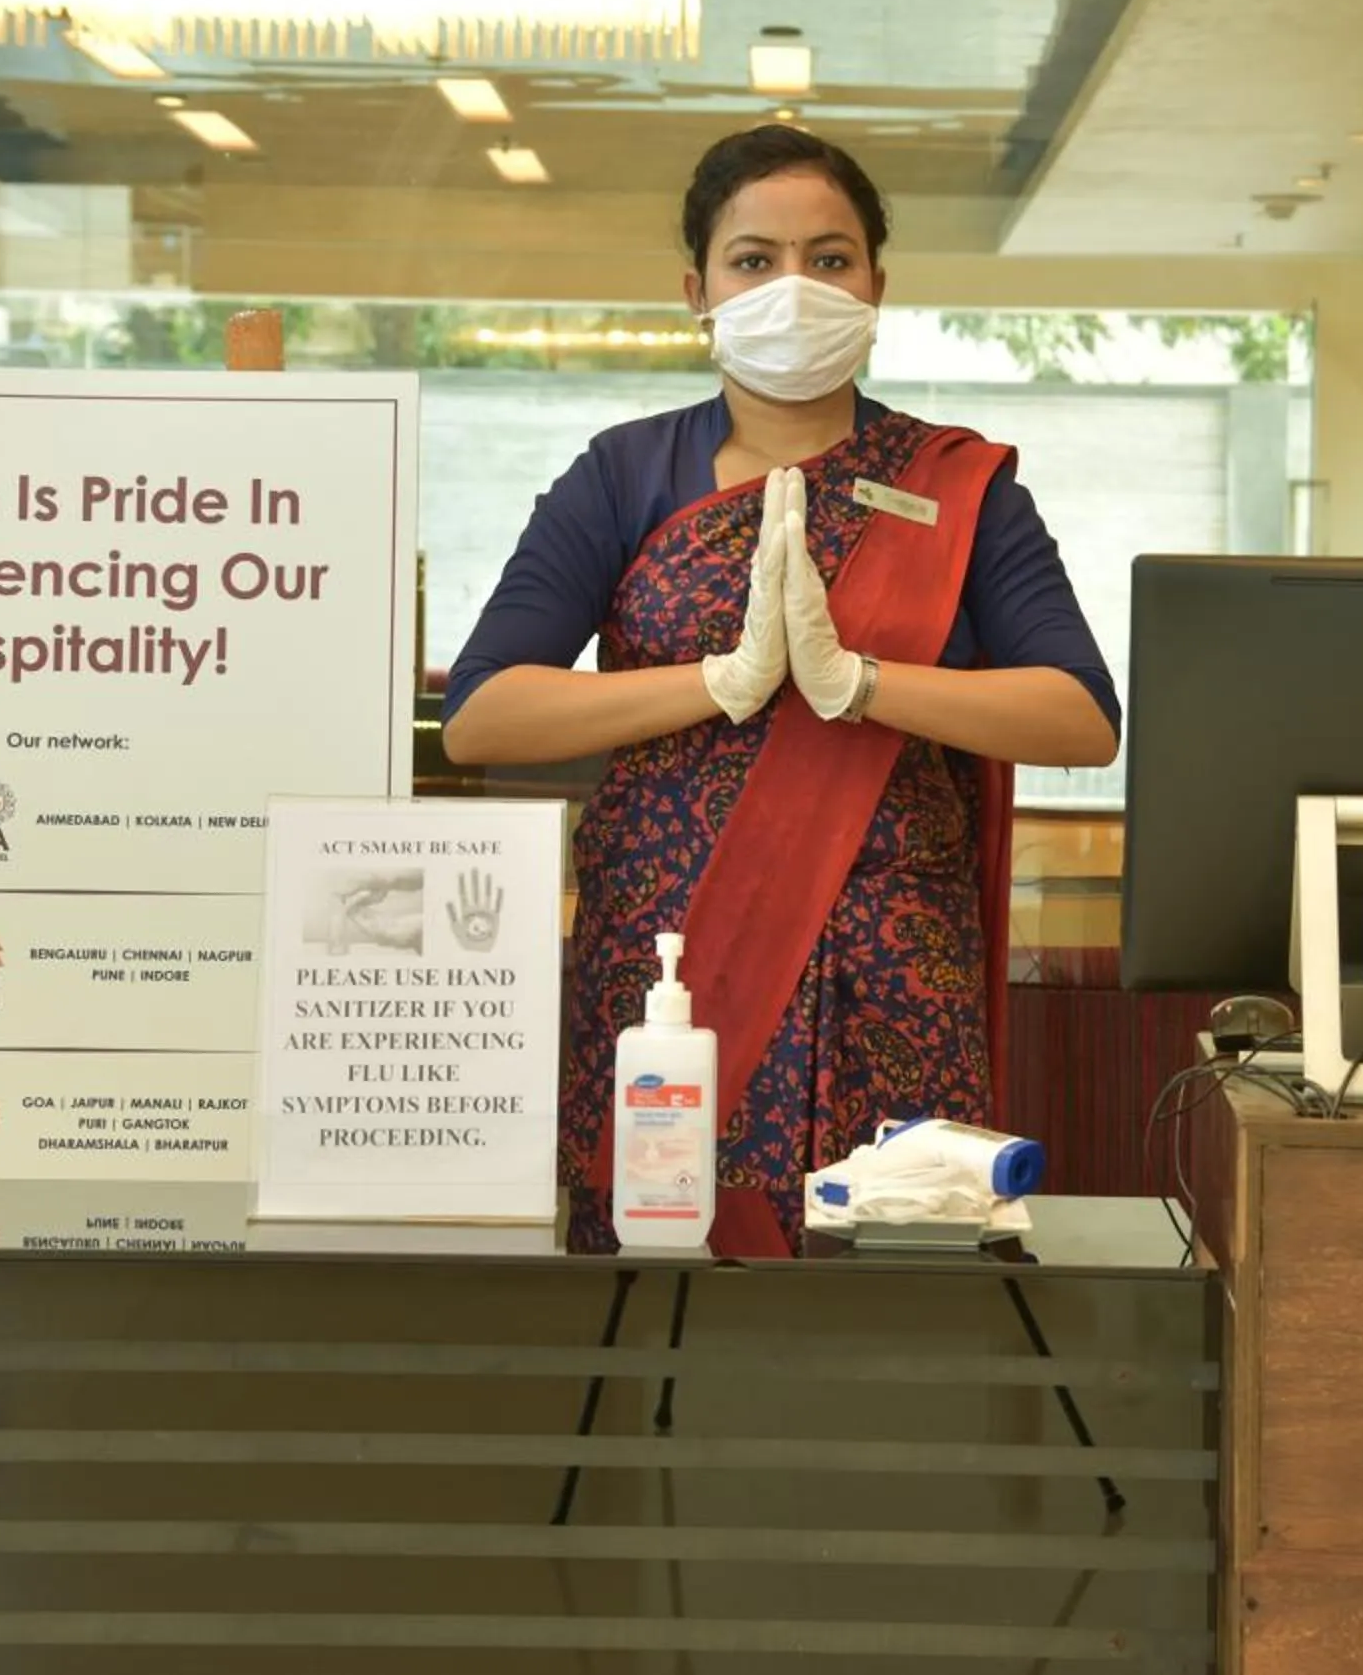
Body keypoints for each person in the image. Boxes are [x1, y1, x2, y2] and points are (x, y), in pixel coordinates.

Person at [441, 125, 1120, 1249]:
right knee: (659, 1296)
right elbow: (485, 714)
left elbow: (1079, 716)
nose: (793, 287)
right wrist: (719, 681)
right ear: (697, 291)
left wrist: (860, 684)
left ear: (878, 286)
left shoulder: (962, 487)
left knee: (897, 1312)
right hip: (674, 974)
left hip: (898, 978)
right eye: (754, 260)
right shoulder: (623, 474)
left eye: (830, 257)